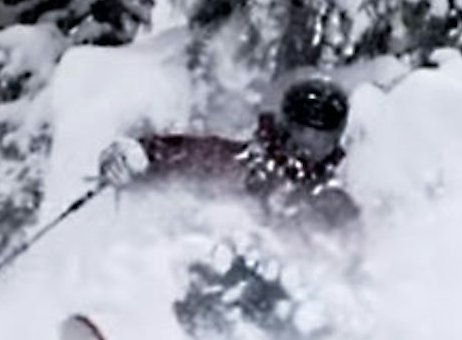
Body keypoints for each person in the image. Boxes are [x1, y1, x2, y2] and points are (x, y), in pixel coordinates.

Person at [97, 75, 360, 232]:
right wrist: (138, 155)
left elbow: (355, 269)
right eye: (299, 133)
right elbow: (185, 153)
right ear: (283, 128)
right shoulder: (242, 165)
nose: (306, 149)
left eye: (320, 140)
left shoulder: (334, 206)